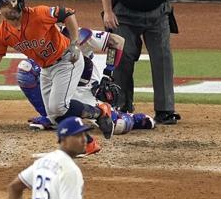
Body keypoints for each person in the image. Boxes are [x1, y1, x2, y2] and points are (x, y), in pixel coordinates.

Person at [0, 0, 114, 149]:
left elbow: (68, 13)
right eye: (6, 4)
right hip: (46, 69)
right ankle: (93, 129)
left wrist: (73, 43)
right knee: (53, 116)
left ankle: (99, 115)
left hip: (66, 60)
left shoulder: (39, 14)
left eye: (13, 1)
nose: (12, 6)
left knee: (58, 107)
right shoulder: (1, 34)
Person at [18, 27, 157, 136]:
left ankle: (133, 118)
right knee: (26, 69)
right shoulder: (39, 43)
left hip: (85, 90)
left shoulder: (77, 35)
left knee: (119, 125)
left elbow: (117, 41)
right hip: (60, 90)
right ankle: (50, 118)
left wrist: (107, 74)